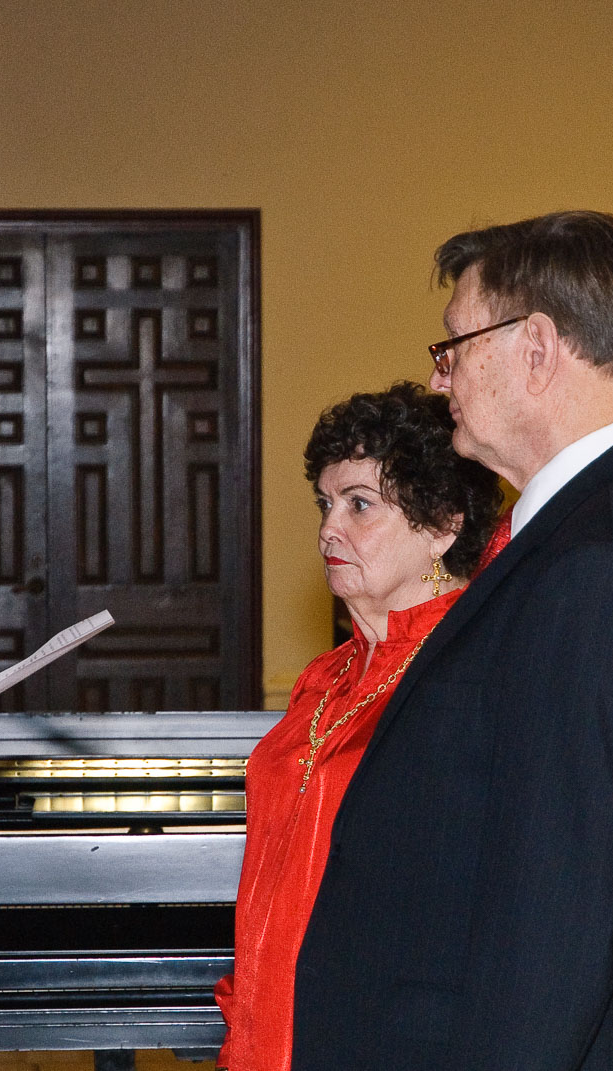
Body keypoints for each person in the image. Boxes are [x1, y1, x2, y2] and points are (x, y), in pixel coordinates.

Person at [292, 212, 613, 1070]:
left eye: (454, 345)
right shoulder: (606, 520)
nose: (440, 376)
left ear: (536, 349)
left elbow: (563, 910)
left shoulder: (600, 562)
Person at [215, 383, 507, 1071]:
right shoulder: (325, 679)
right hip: (269, 1030)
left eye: (359, 503)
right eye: (326, 503)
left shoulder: (471, 677)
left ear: (443, 524)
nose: (328, 529)